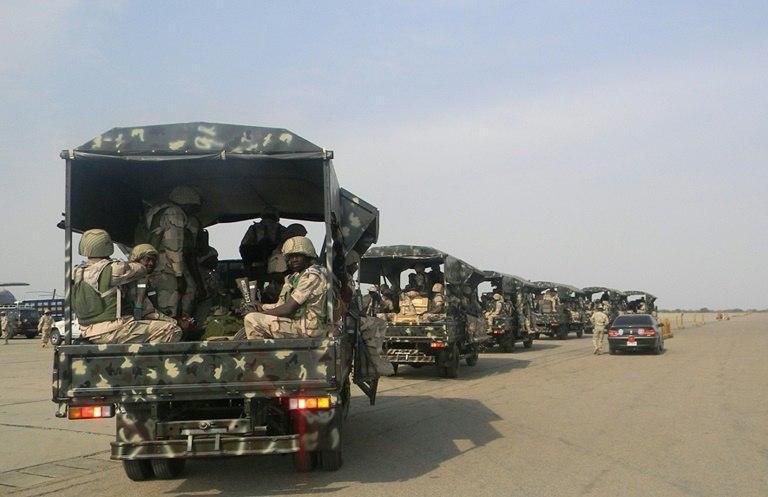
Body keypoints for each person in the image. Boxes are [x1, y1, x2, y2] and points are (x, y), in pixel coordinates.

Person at [73, 230, 182, 344]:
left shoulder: (77, 272)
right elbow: (141, 269)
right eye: (147, 259)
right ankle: (143, 362)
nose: (150, 263)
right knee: (171, 330)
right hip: (112, 330)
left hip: (87, 331)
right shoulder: (115, 269)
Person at [243, 236, 329, 339]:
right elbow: (282, 305)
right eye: (291, 257)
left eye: (298, 256)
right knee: (255, 317)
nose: (294, 260)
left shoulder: (313, 275)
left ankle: (260, 355)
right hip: (300, 326)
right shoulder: (295, 277)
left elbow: (288, 309)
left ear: (308, 255)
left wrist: (260, 313)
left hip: (309, 330)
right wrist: (262, 306)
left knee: (252, 319)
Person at [137, 185, 203, 318]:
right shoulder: (174, 213)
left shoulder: (157, 210)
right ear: (188, 202)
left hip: (154, 265)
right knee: (170, 308)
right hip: (167, 268)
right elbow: (174, 247)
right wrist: (179, 276)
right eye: (194, 207)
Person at [239, 212, 286, 284]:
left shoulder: (254, 228)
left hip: (254, 265)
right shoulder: (282, 229)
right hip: (276, 263)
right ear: (276, 217)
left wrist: (248, 263)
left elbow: (243, 246)